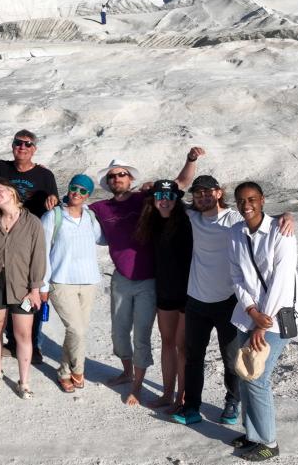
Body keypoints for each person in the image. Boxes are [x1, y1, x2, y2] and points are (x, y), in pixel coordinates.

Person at [171, 146, 294, 427]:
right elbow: (176, 189)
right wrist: (190, 160)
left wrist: (287, 214)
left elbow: (260, 216)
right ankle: (191, 406)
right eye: (198, 193)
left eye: (208, 192)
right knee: (193, 357)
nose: (202, 196)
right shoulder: (191, 217)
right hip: (196, 300)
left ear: (218, 193)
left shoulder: (235, 220)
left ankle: (232, 402)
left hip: (229, 301)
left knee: (230, 358)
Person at [89, 158, 193, 405]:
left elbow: (179, 185)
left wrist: (190, 160)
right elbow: (74, 208)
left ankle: (137, 384)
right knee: (119, 332)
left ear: (130, 179)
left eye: (122, 174)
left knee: (142, 335)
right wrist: (56, 201)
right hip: (121, 279)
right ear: (108, 182)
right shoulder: (100, 208)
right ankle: (127, 372)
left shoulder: (145, 199)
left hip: (149, 281)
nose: (117, 179)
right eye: (113, 176)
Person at [227, 181, 298, 461]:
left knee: (257, 376)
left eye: (251, 199)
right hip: (249, 315)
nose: (246, 205)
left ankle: (268, 443)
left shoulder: (281, 231)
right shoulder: (235, 232)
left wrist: (262, 323)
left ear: (262, 199)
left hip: (276, 317)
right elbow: (236, 275)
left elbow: (283, 282)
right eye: (240, 200)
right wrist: (250, 311)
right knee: (244, 372)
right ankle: (252, 434)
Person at [0, 130, 59, 363]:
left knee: (31, 290)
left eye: (28, 144)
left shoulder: (45, 175)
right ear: (13, 145)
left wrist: (54, 200)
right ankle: (11, 341)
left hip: (30, 239)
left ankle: (33, 344)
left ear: (34, 149)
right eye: (18, 143)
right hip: (4, 235)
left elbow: (54, 200)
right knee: (6, 288)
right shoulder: (0, 168)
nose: (22, 147)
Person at [0, 180, 47, 394]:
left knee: (23, 334)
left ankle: (24, 382)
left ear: (12, 192)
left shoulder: (32, 222)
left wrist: (35, 289)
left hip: (23, 286)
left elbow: (38, 257)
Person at [40, 174, 104, 393]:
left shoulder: (90, 217)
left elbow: (102, 238)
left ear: (88, 195)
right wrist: (43, 286)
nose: (77, 193)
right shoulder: (53, 216)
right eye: (74, 188)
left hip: (88, 281)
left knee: (78, 331)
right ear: (68, 189)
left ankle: (64, 373)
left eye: (83, 191)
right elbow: (42, 252)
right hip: (61, 281)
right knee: (75, 329)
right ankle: (78, 369)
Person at [134, 179, 192, 410]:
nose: (164, 201)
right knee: (167, 343)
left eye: (169, 196)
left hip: (189, 292)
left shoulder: (190, 218)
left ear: (177, 199)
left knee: (182, 345)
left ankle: (182, 397)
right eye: (159, 196)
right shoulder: (151, 221)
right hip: (165, 290)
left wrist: (285, 215)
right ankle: (168, 394)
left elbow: (220, 213)